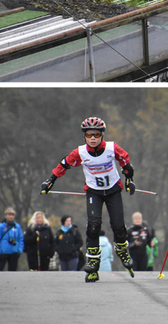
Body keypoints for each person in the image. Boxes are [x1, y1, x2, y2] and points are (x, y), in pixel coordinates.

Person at [41, 117, 136, 283]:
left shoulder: (112, 148)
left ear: (102, 135)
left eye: (96, 134)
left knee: (118, 225)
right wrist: (50, 181)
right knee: (93, 225)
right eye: (89, 134)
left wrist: (129, 180)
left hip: (113, 190)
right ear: (84, 136)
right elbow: (63, 165)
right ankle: (93, 262)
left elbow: (125, 161)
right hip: (94, 192)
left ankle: (122, 249)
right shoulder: (80, 152)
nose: (93, 138)